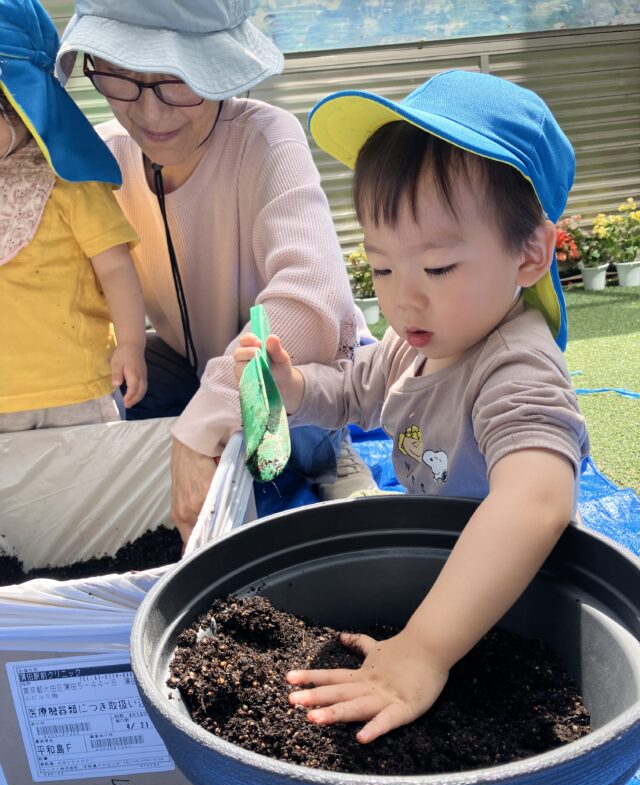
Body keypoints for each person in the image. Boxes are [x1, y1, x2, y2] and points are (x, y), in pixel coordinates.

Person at [234, 71, 590, 743]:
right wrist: (294, 387)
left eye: (438, 268)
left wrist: (423, 650)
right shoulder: (416, 341)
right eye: (383, 267)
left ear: (529, 254)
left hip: (513, 593)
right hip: (438, 573)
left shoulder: (516, 369)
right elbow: (354, 390)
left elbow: (535, 504)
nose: (403, 299)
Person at [55, 0, 375, 543]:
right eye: (121, 75)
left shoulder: (266, 139)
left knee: (294, 420)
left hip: (302, 367)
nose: (151, 115)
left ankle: (332, 458)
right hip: (190, 362)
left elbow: (315, 299)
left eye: (178, 80)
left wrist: (204, 422)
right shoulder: (104, 160)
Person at [0, 0, 147, 433]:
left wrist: (132, 344)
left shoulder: (70, 180)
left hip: (76, 389)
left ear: (19, 103)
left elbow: (116, 267)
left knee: (93, 476)